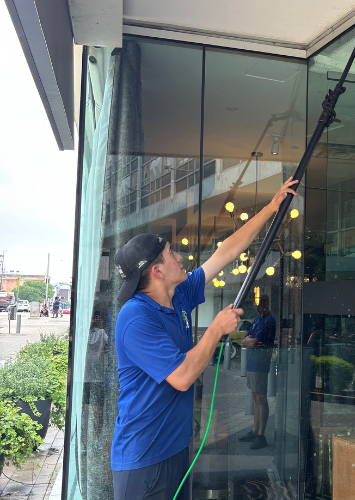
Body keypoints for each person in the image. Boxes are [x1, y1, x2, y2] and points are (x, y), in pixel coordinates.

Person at [110, 177, 296, 500]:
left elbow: (225, 253)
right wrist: (215, 329)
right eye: (171, 254)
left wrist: (270, 208)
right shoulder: (135, 318)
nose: (180, 257)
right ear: (156, 271)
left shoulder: (178, 295)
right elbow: (182, 377)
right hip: (143, 461)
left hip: (177, 449)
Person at [238, 295, 276, 450]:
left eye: (260, 304)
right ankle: (255, 430)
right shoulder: (257, 321)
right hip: (252, 363)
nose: (257, 307)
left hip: (260, 363)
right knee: (255, 397)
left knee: (260, 397)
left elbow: (251, 341)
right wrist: (250, 341)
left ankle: (261, 434)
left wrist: (250, 341)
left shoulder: (269, 321)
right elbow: (244, 341)